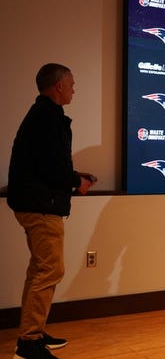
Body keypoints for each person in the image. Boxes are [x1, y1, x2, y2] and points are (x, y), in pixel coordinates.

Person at [8, 63, 96, 359]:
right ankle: (28, 342)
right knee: (50, 269)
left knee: (39, 270)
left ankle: (34, 332)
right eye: (71, 83)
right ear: (58, 86)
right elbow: (50, 167)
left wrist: (75, 176)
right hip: (40, 206)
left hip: (37, 203)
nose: (74, 88)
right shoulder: (45, 118)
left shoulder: (45, 115)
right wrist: (76, 181)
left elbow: (47, 163)